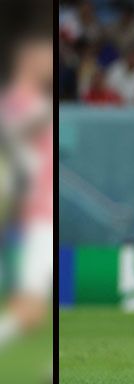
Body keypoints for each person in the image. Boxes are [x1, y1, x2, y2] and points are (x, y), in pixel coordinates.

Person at [0, 31, 53, 352]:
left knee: (34, 308)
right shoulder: (20, 105)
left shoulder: (36, 105)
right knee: (29, 309)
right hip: (37, 216)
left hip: (40, 214)